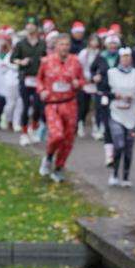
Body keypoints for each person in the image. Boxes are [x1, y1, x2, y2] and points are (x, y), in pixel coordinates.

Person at [37, 33, 85, 183]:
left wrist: (79, 83)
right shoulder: (46, 61)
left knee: (68, 139)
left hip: (70, 103)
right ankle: (49, 157)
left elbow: (82, 79)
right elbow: (39, 80)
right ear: (55, 46)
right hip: (52, 104)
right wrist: (42, 90)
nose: (64, 47)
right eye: (61, 44)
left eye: (67, 45)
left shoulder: (76, 61)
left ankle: (58, 168)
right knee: (57, 135)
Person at [106, 47, 135, 187]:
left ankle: (126, 177)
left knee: (129, 147)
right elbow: (103, 92)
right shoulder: (111, 73)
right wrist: (115, 96)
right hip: (116, 114)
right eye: (123, 56)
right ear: (119, 58)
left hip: (132, 115)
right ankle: (114, 173)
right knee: (119, 144)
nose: (126, 59)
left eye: (129, 56)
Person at [11, 18, 47, 146]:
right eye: (28, 25)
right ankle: (24, 133)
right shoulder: (21, 44)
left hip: (39, 78)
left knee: (38, 105)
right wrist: (21, 62)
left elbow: (47, 55)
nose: (31, 28)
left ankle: (34, 126)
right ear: (26, 28)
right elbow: (12, 59)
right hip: (25, 78)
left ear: (36, 28)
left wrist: (45, 59)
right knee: (25, 106)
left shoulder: (42, 43)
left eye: (33, 26)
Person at [77, 31, 101, 138]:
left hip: (97, 83)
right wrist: (85, 78)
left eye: (96, 40)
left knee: (97, 106)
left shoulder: (100, 53)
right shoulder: (83, 53)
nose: (94, 43)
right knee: (84, 106)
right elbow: (79, 67)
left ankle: (96, 126)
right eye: (93, 40)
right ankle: (80, 124)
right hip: (85, 82)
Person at [0, 37, 23, 132]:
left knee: (20, 103)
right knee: (11, 103)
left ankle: (16, 123)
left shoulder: (23, 55)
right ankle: (6, 117)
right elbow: (5, 67)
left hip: (21, 82)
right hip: (10, 82)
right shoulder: (9, 55)